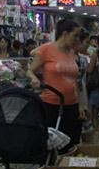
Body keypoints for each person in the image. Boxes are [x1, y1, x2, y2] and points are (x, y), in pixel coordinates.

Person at [27, 19, 81, 147]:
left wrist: (80, 105)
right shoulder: (46, 49)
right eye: (75, 35)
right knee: (53, 144)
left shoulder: (72, 52)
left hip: (72, 104)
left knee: (71, 142)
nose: (77, 39)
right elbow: (30, 71)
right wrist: (34, 78)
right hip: (52, 105)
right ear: (65, 34)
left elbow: (75, 81)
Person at [74, 29, 90, 123]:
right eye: (86, 42)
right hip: (73, 96)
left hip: (82, 94)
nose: (88, 45)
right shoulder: (69, 58)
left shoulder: (83, 59)